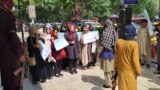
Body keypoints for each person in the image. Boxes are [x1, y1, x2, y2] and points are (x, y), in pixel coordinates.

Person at [0, 0, 25, 90]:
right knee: (14, 85)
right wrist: (20, 54)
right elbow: (12, 36)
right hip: (11, 58)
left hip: (3, 58)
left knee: (7, 84)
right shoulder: (7, 14)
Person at [114, 24, 141, 90]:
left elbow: (116, 57)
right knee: (130, 87)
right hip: (130, 72)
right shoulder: (134, 44)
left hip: (121, 70)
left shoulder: (119, 42)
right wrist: (138, 71)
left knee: (122, 86)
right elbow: (135, 60)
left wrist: (115, 67)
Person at [100, 20, 118, 88]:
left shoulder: (105, 32)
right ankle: (113, 81)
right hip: (113, 54)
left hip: (106, 54)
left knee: (107, 70)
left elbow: (102, 43)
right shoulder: (114, 32)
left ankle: (108, 84)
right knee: (112, 69)